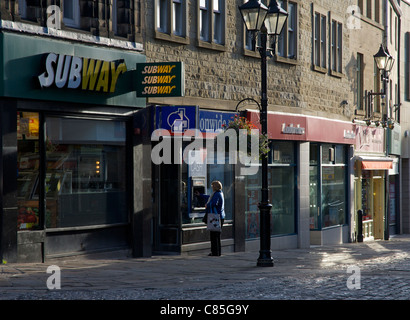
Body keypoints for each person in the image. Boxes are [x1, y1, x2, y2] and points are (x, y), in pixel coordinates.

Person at [205, 180, 225, 256]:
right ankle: (217, 252)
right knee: (217, 235)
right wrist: (201, 195)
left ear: (215, 187)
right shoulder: (220, 193)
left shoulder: (217, 194)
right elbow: (210, 198)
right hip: (220, 216)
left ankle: (215, 252)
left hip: (216, 216)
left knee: (214, 235)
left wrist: (207, 205)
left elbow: (214, 203)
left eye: (213, 186)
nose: (212, 188)